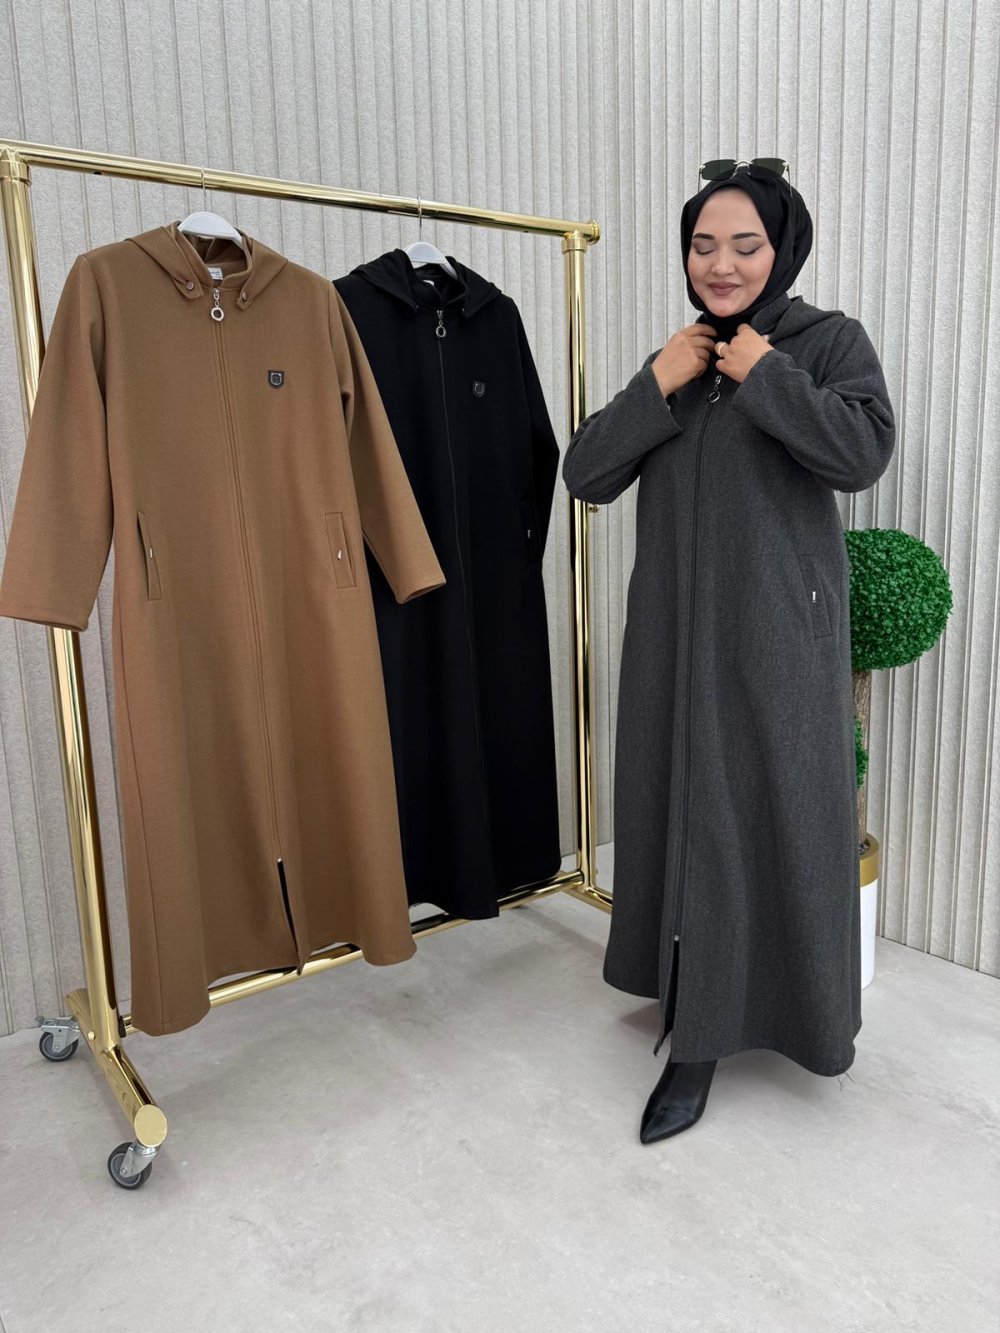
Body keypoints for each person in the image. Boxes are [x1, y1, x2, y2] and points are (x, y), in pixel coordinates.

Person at [562, 162, 895, 1143]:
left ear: (781, 249)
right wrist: (656, 384)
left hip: (777, 637)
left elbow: (860, 454)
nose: (722, 264)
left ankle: (773, 1017)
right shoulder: (679, 355)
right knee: (683, 811)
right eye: (703, 245)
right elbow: (586, 472)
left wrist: (767, 375)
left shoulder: (827, 341)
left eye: (745, 245)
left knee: (772, 814)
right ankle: (693, 1011)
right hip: (672, 636)